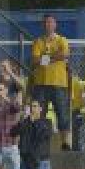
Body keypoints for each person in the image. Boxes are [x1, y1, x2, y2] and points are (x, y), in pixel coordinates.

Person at [30, 15, 73, 151]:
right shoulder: (38, 41)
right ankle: (39, 142)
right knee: (39, 114)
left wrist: (45, 58)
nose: (48, 24)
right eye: (46, 22)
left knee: (62, 113)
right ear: (43, 25)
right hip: (41, 83)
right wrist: (55, 57)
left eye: (51, 22)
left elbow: (65, 55)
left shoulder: (62, 40)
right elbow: (35, 61)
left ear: (55, 25)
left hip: (59, 83)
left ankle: (65, 142)